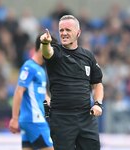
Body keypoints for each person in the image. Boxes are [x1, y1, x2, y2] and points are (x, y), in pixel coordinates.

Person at [40, 15, 104, 150]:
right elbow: (47, 52)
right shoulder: (56, 52)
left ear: (78, 33)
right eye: (61, 30)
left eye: (68, 30)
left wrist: (97, 104)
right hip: (62, 119)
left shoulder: (88, 56)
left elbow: (97, 83)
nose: (64, 33)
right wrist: (45, 43)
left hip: (86, 117)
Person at [9, 34, 57, 150]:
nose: (52, 54)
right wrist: (14, 118)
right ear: (43, 47)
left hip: (30, 120)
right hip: (34, 119)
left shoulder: (40, 69)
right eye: (51, 49)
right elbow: (19, 92)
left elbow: (44, 95)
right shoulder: (29, 67)